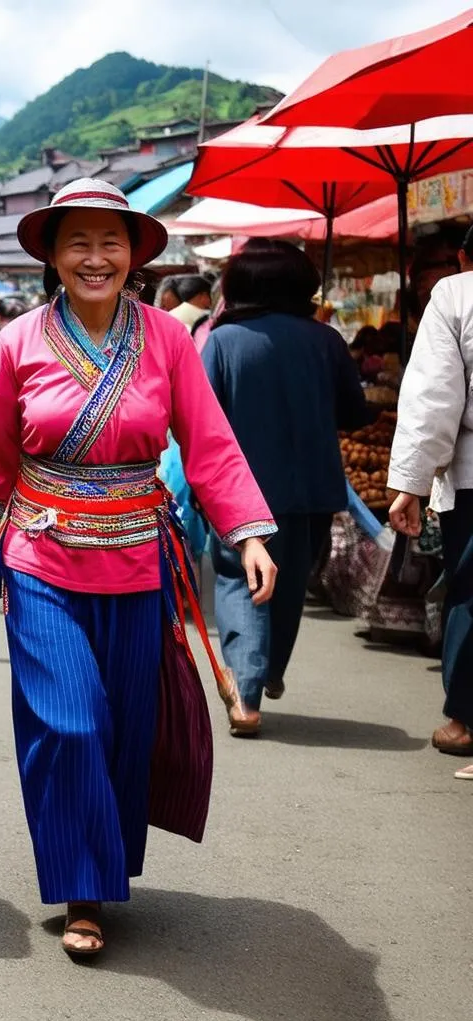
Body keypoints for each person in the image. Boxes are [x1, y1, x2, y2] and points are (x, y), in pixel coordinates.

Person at [0, 179, 277, 959]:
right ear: (54, 256)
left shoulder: (167, 338)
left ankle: (100, 867)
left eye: (111, 242)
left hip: (138, 561)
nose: (95, 258)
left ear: (134, 255)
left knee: (125, 726)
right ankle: (81, 892)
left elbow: (210, 444)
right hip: (39, 557)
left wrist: (248, 533)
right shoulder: (20, 341)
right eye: (78, 243)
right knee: (70, 720)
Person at [202, 238, 368, 735]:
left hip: (241, 488)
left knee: (238, 579)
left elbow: (200, 418)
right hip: (313, 487)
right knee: (290, 584)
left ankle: (247, 693)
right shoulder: (327, 341)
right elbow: (355, 414)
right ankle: (269, 671)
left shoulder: (224, 341)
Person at [389, 225, 473, 778]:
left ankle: (466, 719)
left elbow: (434, 398)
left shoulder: (457, 294)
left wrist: (411, 483)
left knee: (470, 592)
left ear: (465, 256)